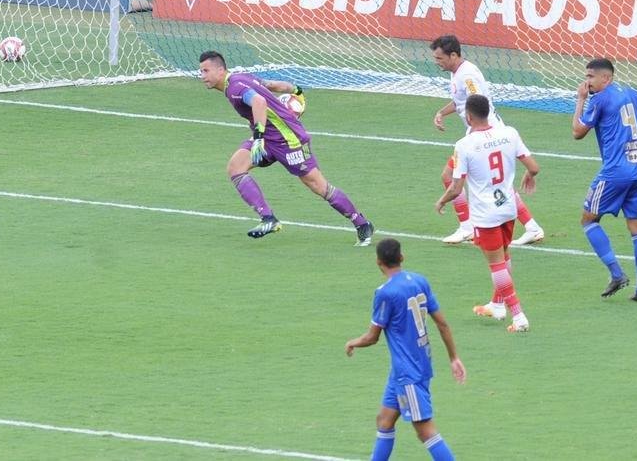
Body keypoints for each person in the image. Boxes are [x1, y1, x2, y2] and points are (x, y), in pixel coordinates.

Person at [198, 51, 374, 245]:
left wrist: (257, 137)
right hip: (269, 138)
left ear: (220, 70)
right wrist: (296, 90)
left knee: (318, 185)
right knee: (235, 167)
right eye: (201, 71)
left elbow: (259, 101)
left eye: (206, 71)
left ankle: (362, 223)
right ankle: (268, 219)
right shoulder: (242, 78)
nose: (202, 76)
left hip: (289, 140)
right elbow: (272, 85)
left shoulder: (235, 88)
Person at [345, 238, 466, 460]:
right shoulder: (419, 281)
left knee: (425, 430)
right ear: (402, 257)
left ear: (378, 262)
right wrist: (454, 357)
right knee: (384, 419)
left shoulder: (385, 293)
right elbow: (442, 323)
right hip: (409, 367)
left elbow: (373, 337)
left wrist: (353, 342)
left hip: (408, 372)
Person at [436, 94, 539, 333]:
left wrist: (441, 201)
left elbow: (456, 186)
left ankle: (519, 315)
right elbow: (534, 167)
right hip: (508, 209)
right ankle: (498, 305)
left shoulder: (464, 145)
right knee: (504, 256)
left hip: (486, 214)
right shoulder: (509, 133)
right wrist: (529, 175)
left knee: (496, 265)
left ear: (469, 117)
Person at [430, 35, 545, 247]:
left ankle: (467, 227)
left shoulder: (467, 75)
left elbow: (477, 102)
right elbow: (461, 101)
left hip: (484, 134)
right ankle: (531, 227)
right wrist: (441, 112)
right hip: (482, 131)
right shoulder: (459, 73)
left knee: (451, 176)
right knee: (498, 185)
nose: (437, 62)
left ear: (453, 55)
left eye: (440, 58)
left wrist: (475, 130)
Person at [572, 58, 637, 302]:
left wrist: (580, 100)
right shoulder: (633, 94)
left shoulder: (599, 100)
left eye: (591, 77)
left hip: (614, 172)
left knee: (588, 220)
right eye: (586, 77)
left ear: (607, 78)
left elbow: (577, 132)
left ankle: (616, 274)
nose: (587, 82)